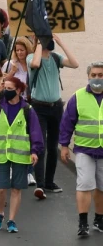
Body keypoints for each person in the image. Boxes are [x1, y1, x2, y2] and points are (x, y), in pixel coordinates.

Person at [0, 76, 43, 233]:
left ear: (18, 90)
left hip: (20, 156)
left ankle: (11, 220)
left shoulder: (27, 110)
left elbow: (35, 132)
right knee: (1, 188)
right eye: (5, 88)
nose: (6, 92)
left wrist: (35, 151)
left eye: (9, 89)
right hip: (1, 154)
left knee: (16, 189)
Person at [58, 61, 103, 239]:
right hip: (85, 149)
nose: (97, 79)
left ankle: (99, 219)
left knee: (102, 187)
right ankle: (83, 222)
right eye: (94, 75)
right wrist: (64, 145)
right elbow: (67, 123)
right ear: (88, 77)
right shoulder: (78, 97)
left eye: (101, 75)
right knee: (84, 185)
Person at [30, 33, 78, 197]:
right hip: (39, 107)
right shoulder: (31, 57)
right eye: (47, 39)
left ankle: (49, 182)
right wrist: (38, 43)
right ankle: (40, 184)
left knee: (53, 147)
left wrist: (61, 42)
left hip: (56, 107)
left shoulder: (56, 58)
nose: (50, 41)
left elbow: (75, 64)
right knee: (40, 146)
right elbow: (36, 64)